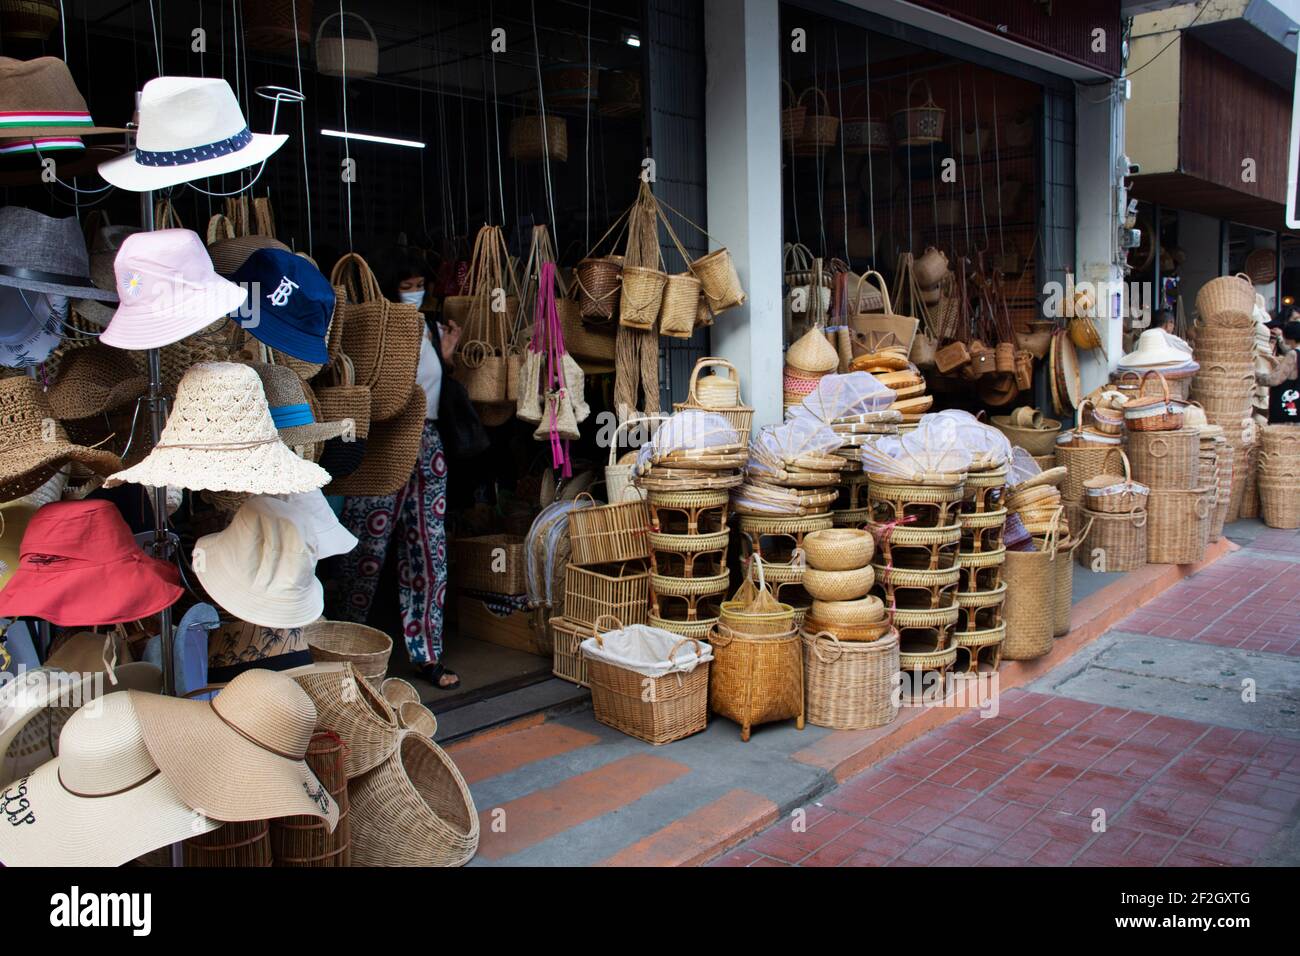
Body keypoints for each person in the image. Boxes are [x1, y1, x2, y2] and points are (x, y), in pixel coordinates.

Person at [329, 260, 462, 690]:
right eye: (406, 284)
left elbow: (436, 387)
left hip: (427, 444)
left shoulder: (433, 329)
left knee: (428, 551)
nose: (415, 291)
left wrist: (446, 357)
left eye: (421, 284)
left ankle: (428, 653)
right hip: (383, 445)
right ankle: (345, 648)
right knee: (364, 551)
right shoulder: (374, 329)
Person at [1258, 318, 1300, 423]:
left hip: (1289, 411)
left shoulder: (1293, 355)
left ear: (1288, 337)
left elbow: (1275, 380)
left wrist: (1255, 376)